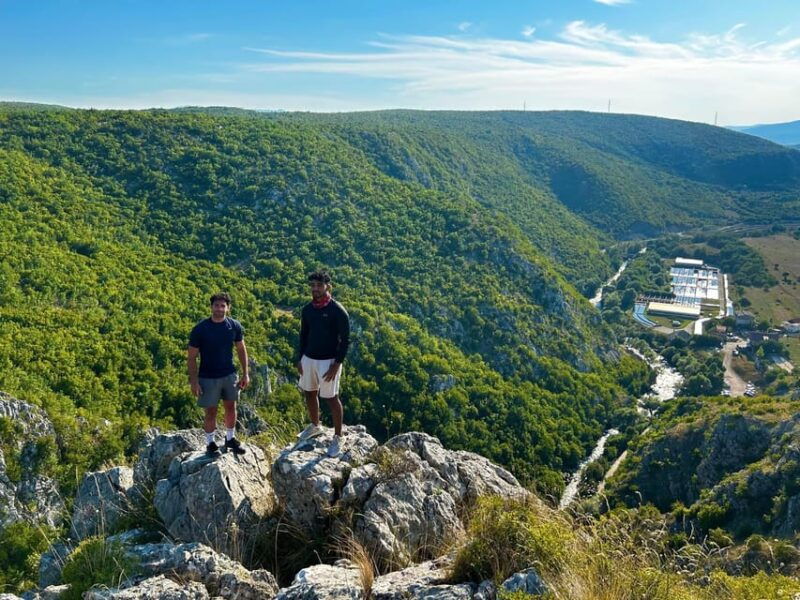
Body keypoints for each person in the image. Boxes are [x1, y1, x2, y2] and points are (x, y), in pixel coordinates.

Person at [295, 270, 350, 457]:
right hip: (309, 359)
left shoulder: (337, 310)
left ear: (328, 286)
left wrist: (337, 364)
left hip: (329, 361)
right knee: (309, 392)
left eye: (319, 285)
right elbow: (303, 335)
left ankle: (337, 437)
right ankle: (315, 425)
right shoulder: (308, 310)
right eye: (313, 285)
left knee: (331, 397)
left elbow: (345, 340)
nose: (315, 289)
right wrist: (300, 358)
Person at [187, 292, 249, 456]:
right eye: (216, 305)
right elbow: (191, 358)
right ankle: (210, 443)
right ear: (211, 307)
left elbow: (241, 350)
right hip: (207, 377)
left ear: (228, 308)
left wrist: (245, 374)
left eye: (223, 306)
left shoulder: (234, 326)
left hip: (229, 375)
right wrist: (194, 382)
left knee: (231, 407)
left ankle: (230, 439)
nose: (219, 309)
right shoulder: (200, 329)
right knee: (211, 411)